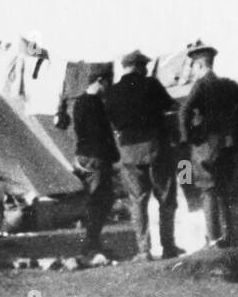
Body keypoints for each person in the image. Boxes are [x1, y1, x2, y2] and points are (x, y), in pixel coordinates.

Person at [105, 49, 182, 261]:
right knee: (166, 199)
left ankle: (144, 250)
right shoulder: (151, 84)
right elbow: (172, 107)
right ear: (139, 66)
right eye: (145, 65)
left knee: (137, 201)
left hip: (128, 152)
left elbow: (110, 122)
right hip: (155, 148)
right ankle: (168, 247)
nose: (147, 68)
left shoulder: (111, 92)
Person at [179, 42, 238, 248]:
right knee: (222, 190)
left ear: (199, 65)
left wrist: (188, 138)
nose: (193, 70)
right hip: (227, 146)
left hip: (206, 147)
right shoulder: (228, 85)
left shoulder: (201, 85)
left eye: (193, 66)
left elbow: (184, 111)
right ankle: (228, 235)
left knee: (208, 190)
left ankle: (213, 238)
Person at [71, 65, 119, 262]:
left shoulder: (80, 102)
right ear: (100, 80)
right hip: (96, 158)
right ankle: (91, 245)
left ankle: (93, 243)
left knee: (97, 200)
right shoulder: (95, 104)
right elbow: (101, 135)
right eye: (108, 82)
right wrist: (113, 156)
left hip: (85, 156)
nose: (109, 86)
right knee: (100, 200)